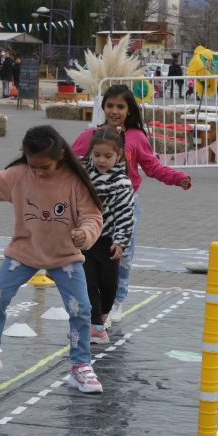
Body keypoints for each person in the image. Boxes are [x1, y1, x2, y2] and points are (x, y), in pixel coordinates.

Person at [0, 125, 105, 394]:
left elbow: (93, 216)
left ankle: (80, 366)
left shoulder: (74, 181)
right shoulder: (19, 176)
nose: (37, 172)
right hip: (24, 252)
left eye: (44, 167)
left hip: (65, 256)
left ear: (60, 154)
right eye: (32, 165)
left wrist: (86, 233)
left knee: (81, 309)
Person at [72, 84, 191, 326]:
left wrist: (177, 178)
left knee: (121, 256)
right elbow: (69, 160)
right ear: (103, 107)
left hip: (125, 206)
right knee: (89, 258)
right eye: (110, 105)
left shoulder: (136, 137)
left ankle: (116, 301)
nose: (114, 111)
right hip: (92, 207)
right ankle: (94, 307)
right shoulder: (91, 136)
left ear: (129, 110)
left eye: (120, 106)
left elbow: (153, 167)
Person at [81, 127, 134, 344]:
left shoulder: (121, 183)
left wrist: (120, 242)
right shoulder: (83, 172)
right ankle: (94, 325)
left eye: (108, 156)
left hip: (108, 241)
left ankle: (102, 316)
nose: (101, 160)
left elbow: (125, 214)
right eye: (97, 155)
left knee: (109, 285)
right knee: (88, 283)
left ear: (118, 156)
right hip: (85, 239)